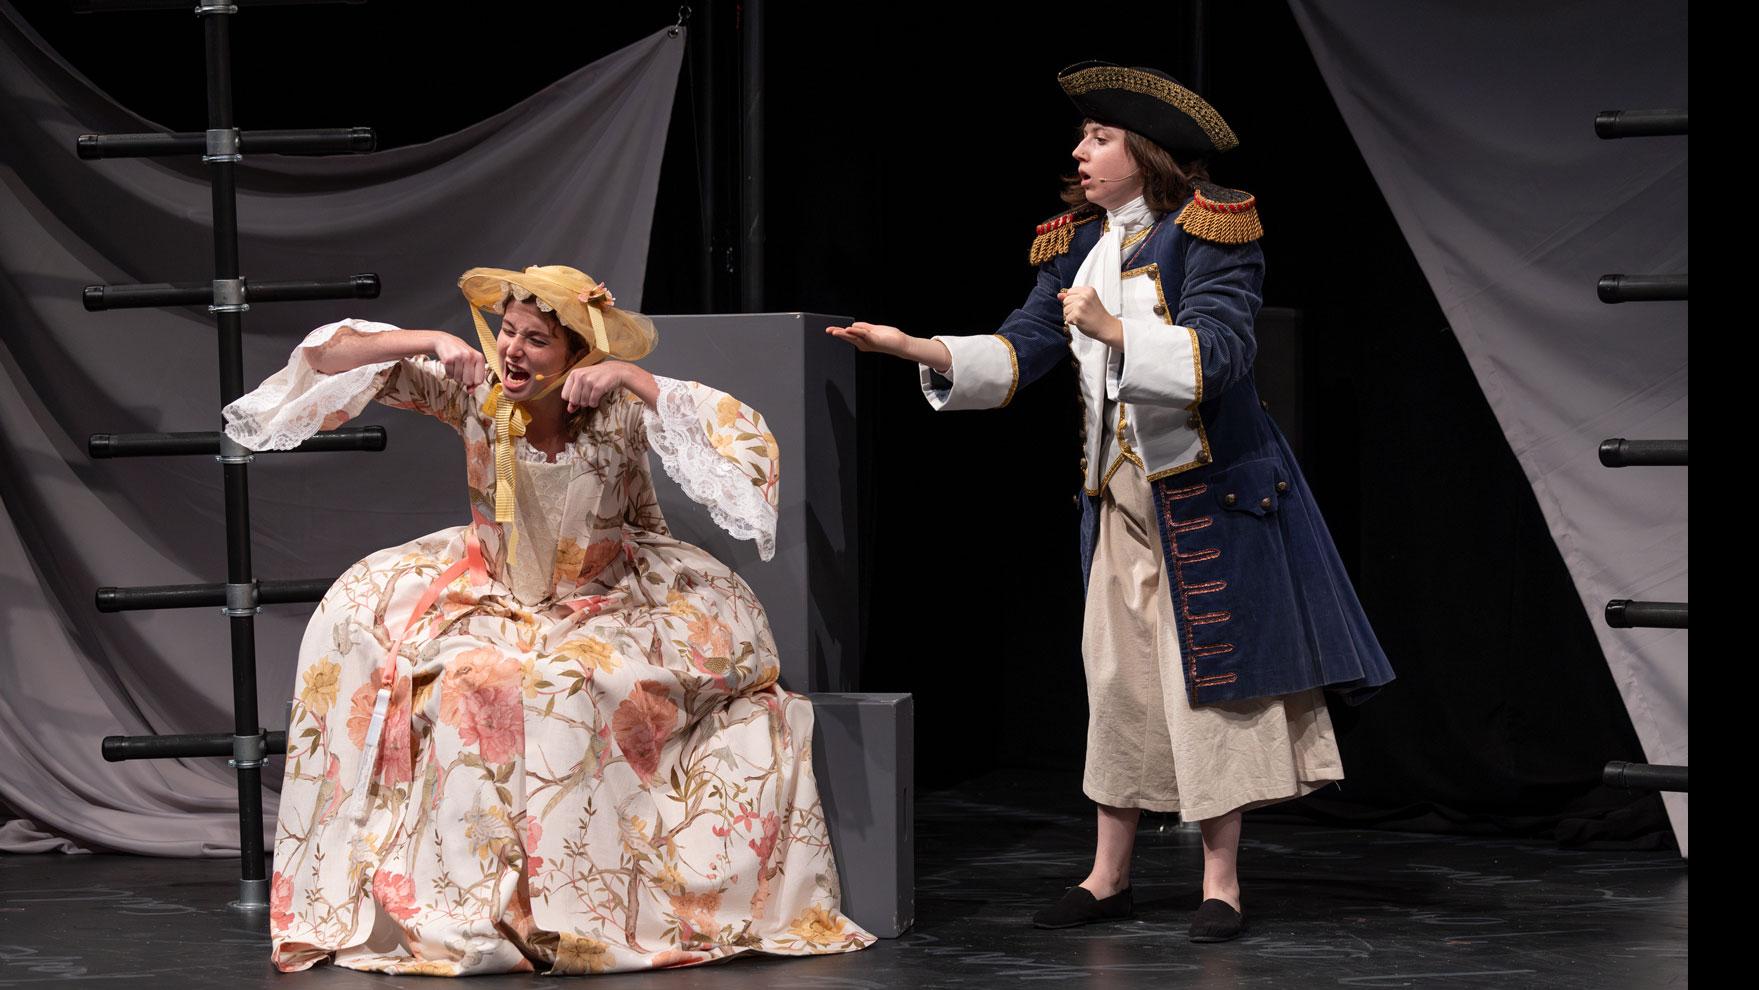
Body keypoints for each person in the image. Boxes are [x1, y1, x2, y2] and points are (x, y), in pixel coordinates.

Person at [827, 61, 1394, 942]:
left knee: (1211, 686)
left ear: (1147, 152)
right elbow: (1023, 349)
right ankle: (1108, 876)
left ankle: (1219, 886)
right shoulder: (1075, 246)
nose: (1079, 151)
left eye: (1098, 137)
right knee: (1117, 684)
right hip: (1118, 505)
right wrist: (919, 349)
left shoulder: (1210, 230)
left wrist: (1117, 331)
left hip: (1210, 500)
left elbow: (1224, 351)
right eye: (1083, 137)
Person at [223, 264, 873, 975]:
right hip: (489, 590)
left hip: (608, 597)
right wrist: (432, 339)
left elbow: (741, 440)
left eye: (537, 339)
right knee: (393, 647)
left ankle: (589, 902)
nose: (513, 350)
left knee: (574, 688)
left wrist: (629, 377)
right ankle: (471, 901)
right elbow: (326, 356)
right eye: (507, 330)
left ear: (574, 355)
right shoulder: (471, 393)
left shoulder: (615, 411)